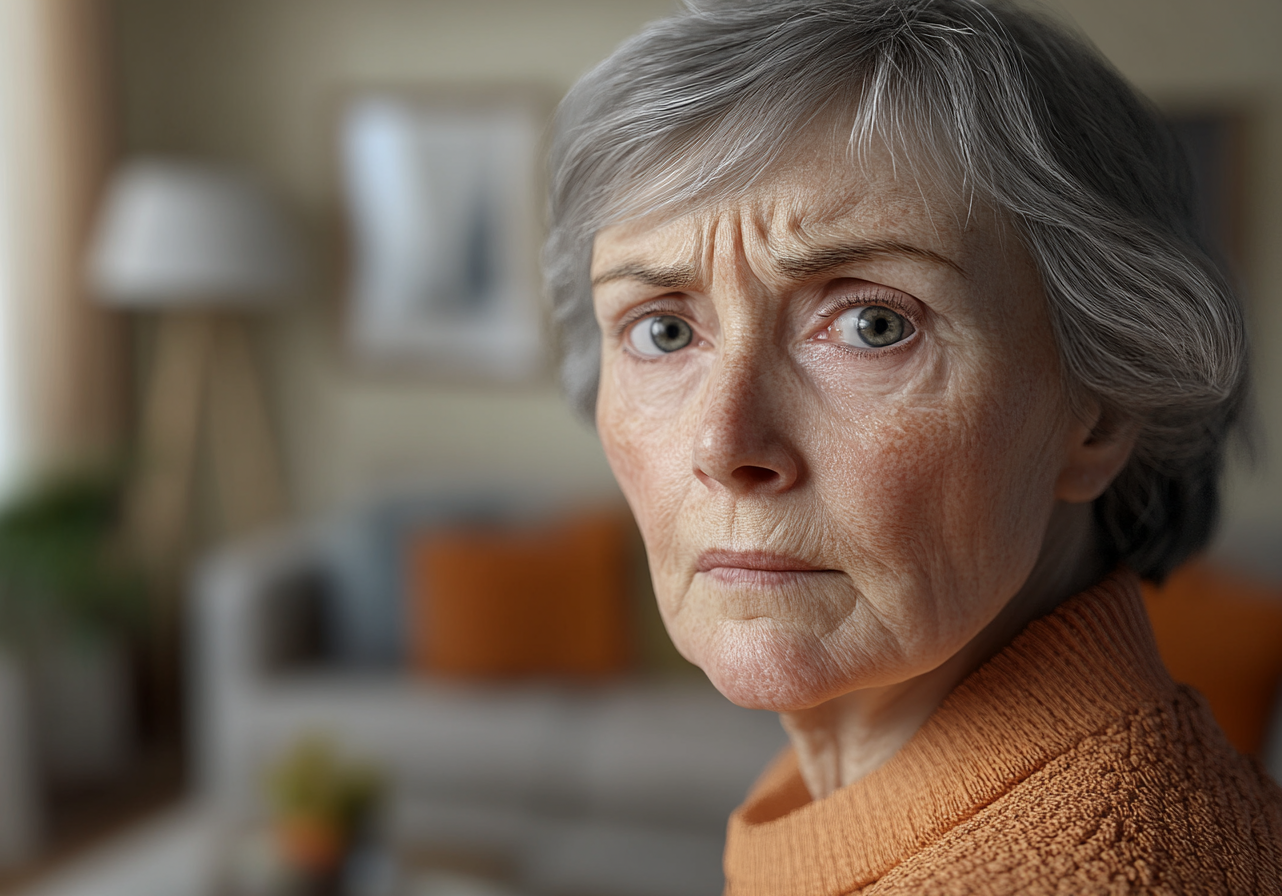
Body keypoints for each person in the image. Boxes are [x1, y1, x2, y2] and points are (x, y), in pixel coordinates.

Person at [542, 0, 1282, 892]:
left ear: (1101, 411)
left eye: (873, 323)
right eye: (663, 332)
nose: (725, 443)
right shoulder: (860, 785)